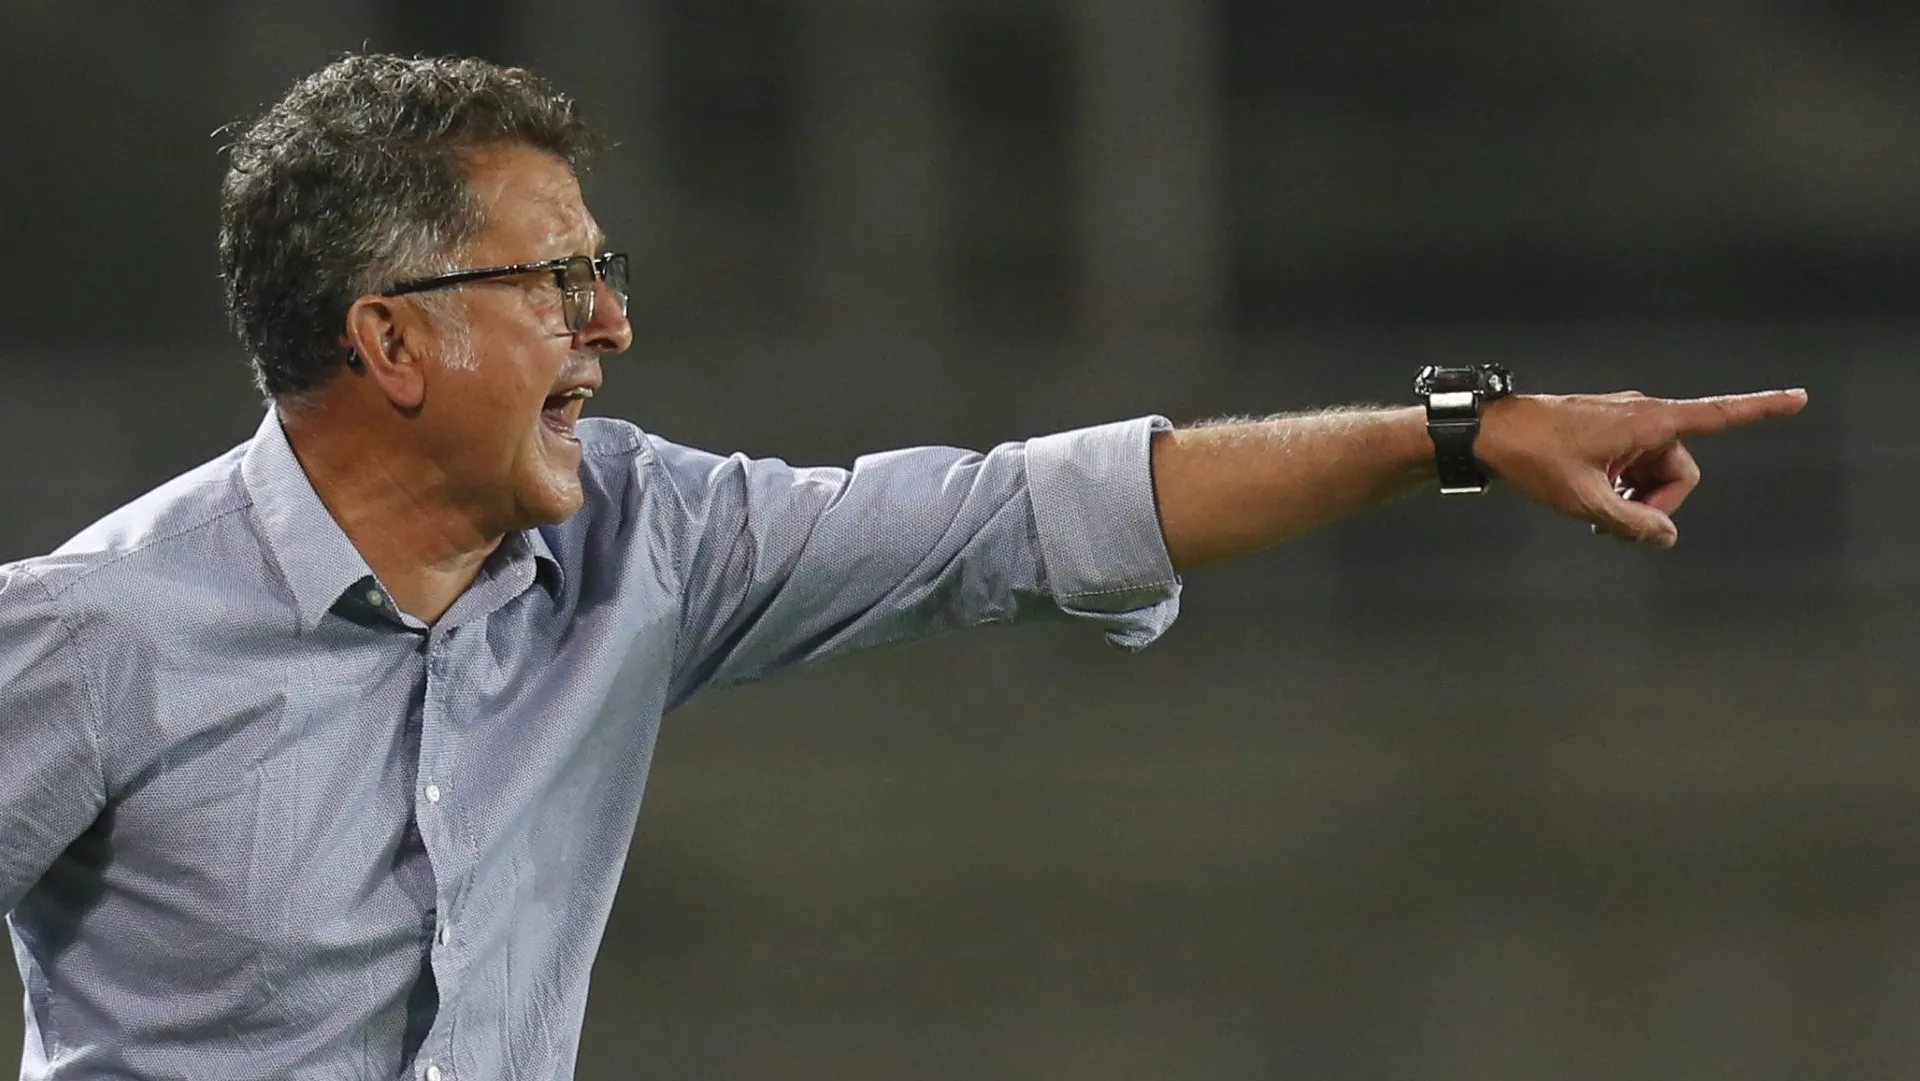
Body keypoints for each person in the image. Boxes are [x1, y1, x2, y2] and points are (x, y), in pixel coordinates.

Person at [0, 53, 1804, 1081]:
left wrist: (1459, 438)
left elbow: (1018, 516)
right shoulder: (101, 632)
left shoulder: (652, 539)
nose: (611, 323)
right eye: (551, 282)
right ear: (389, 345)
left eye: (602, 272)